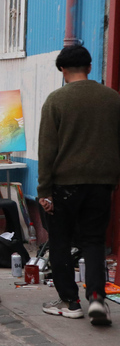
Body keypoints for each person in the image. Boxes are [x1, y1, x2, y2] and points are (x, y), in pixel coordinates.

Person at [38, 45, 120, 325]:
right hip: (101, 184)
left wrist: (44, 191)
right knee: (94, 240)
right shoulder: (113, 99)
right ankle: (97, 296)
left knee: (59, 240)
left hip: (65, 185)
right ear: (90, 67)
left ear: (62, 70)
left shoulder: (56, 100)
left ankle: (69, 301)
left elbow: (47, 149)